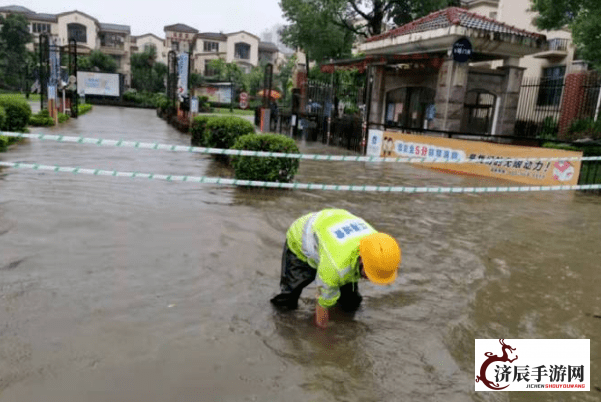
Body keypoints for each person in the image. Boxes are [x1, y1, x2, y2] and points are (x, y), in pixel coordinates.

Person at [270, 208, 401, 329]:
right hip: (302, 237)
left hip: (331, 228)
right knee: (288, 299)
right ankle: (279, 324)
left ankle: (348, 316)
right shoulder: (335, 268)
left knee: (351, 301)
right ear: (361, 259)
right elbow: (322, 303)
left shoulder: (379, 244)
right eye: (370, 273)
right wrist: (324, 337)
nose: (370, 279)